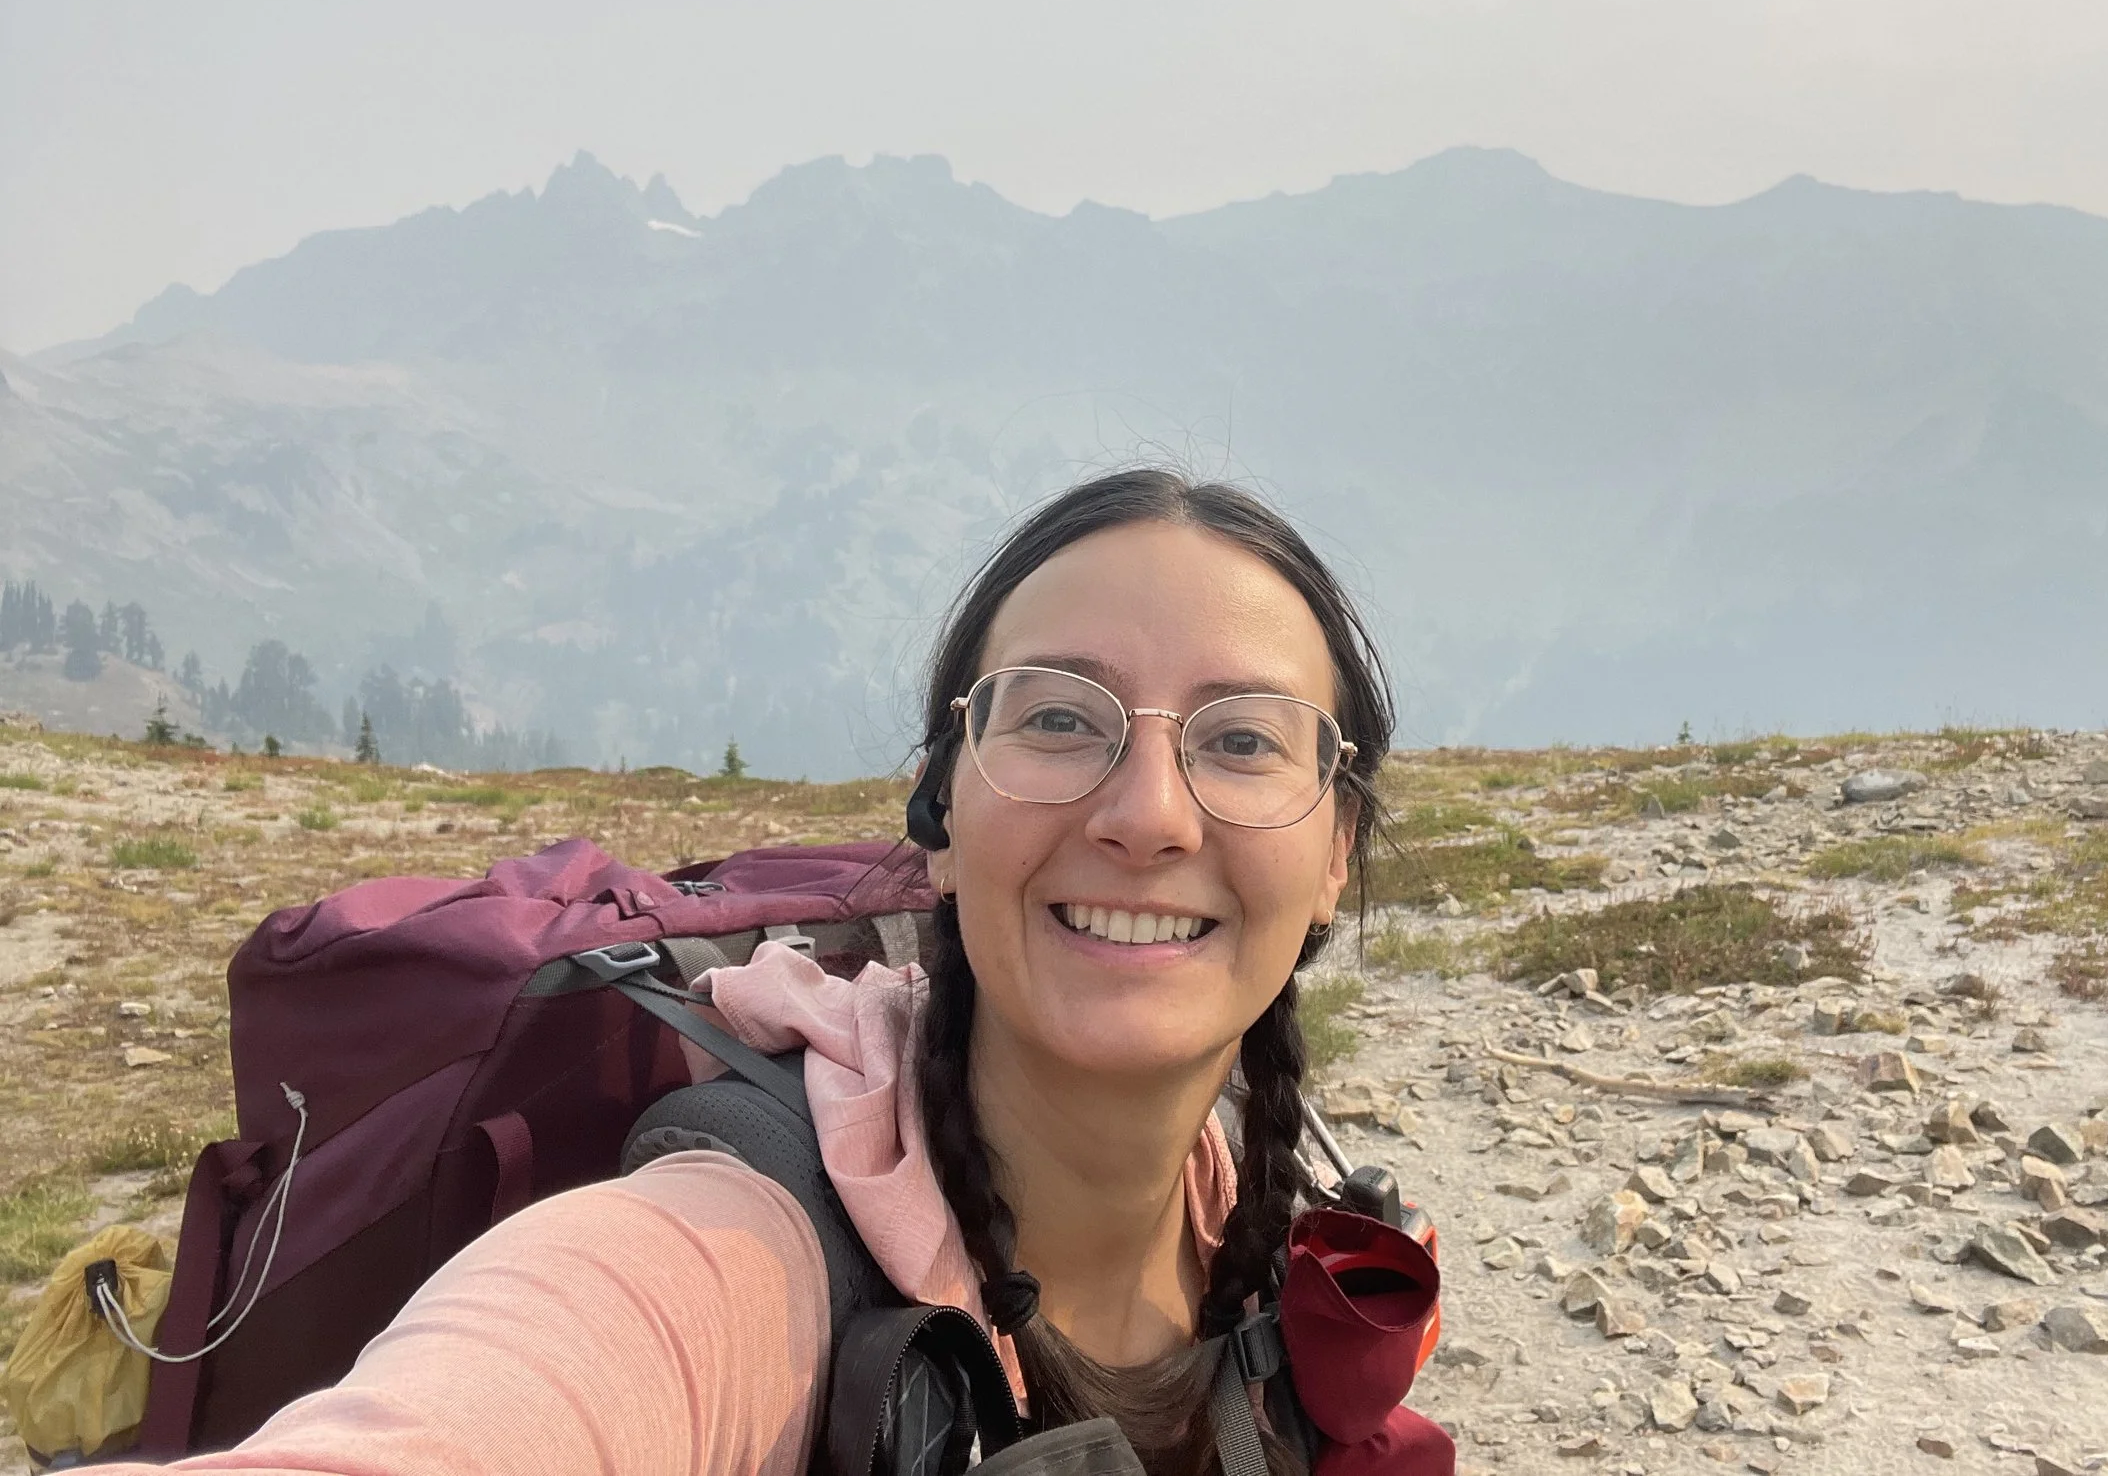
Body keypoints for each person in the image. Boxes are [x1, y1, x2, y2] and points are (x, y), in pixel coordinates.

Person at [86, 470, 1449, 1476]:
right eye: (1057, 716)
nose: (1146, 808)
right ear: (944, 820)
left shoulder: (1244, 1194)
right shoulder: (722, 1262)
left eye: (1245, 738)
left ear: (1337, 851)